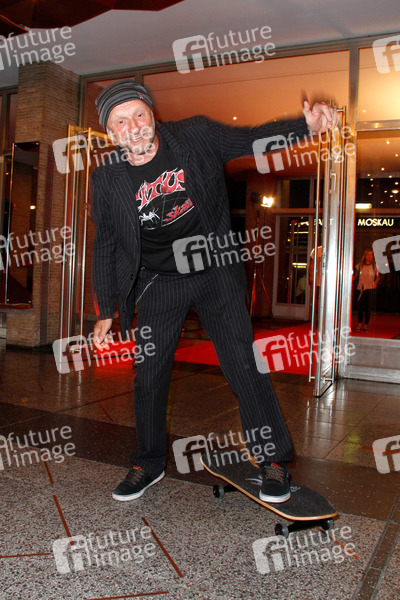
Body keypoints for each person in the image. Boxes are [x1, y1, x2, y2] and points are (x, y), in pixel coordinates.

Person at [91, 80, 338, 504]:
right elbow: (107, 244)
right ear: (110, 132)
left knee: (243, 363)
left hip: (214, 269)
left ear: (152, 114)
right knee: (148, 376)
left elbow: (252, 138)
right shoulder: (107, 178)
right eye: (121, 121)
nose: (134, 126)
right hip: (159, 280)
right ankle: (148, 463)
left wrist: (305, 127)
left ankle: (272, 459)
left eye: (139, 114)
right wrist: (106, 308)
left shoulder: (196, 136)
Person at [353, 248, 380, 332]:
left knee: (368, 308)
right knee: (360, 308)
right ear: (365, 256)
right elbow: (354, 276)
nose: (369, 257)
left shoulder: (374, 266)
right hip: (361, 289)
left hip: (370, 289)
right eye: (368, 255)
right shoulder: (359, 266)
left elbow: (378, 277)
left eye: (371, 255)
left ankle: (366, 325)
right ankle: (359, 324)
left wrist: (375, 283)